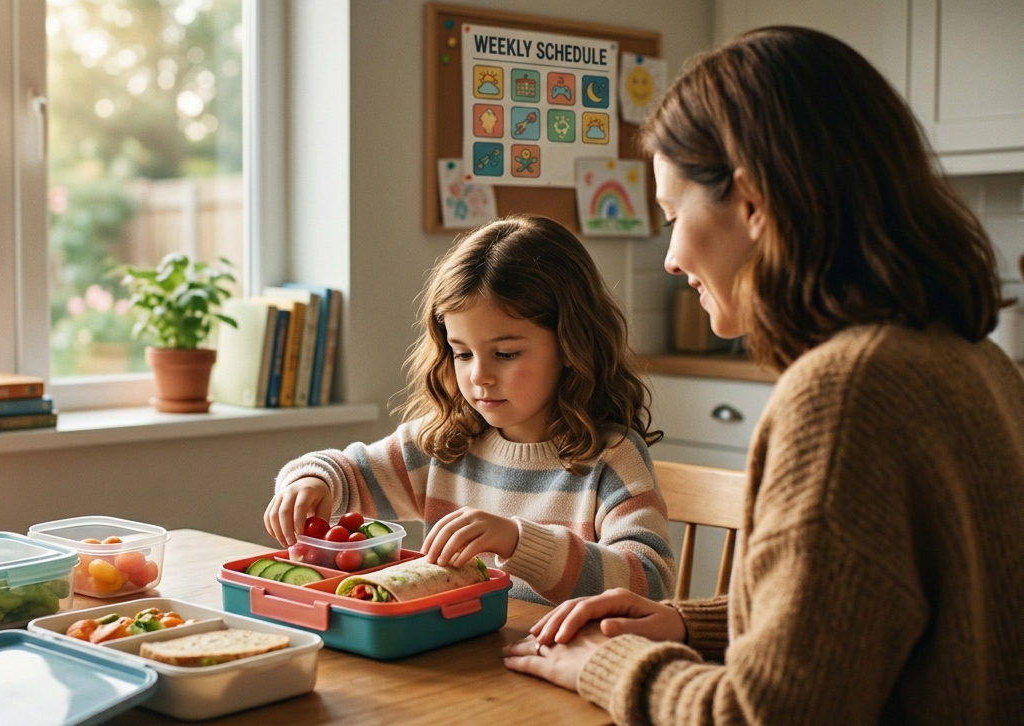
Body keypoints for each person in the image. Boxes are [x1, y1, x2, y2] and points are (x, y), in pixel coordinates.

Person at [502, 26, 1024, 724]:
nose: (669, 257)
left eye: (671, 214)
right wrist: (686, 623)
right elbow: (870, 611)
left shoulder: (845, 392)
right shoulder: (968, 358)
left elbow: (765, 713)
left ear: (750, 202)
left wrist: (608, 663)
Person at [263, 214, 676, 604]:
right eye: (462, 354)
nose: (480, 376)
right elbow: (345, 474)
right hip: (470, 663)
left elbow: (650, 584)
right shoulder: (444, 443)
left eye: (506, 353)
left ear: (572, 344)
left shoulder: (612, 457)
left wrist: (518, 542)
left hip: (561, 666)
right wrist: (310, 482)